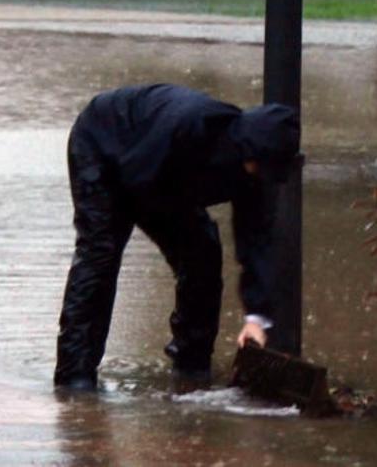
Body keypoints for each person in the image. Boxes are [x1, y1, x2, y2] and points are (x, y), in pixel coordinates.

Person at [54, 83, 300, 390]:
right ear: (249, 151)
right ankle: (74, 376)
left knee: (203, 252)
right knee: (100, 254)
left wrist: (257, 317)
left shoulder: (255, 173)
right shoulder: (188, 125)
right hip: (104, 143)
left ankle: (192, 365)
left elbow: (256, 244)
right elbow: (137, 186)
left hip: (161, 179)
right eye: (260, 168)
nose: (260, 177)